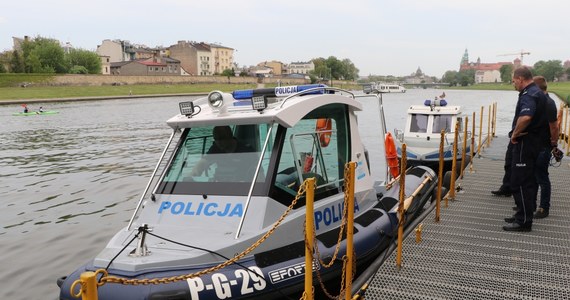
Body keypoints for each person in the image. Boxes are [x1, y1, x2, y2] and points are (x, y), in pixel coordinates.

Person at [503, 66, 550, 232]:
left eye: (514, 80)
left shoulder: (529, 95)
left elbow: (526, 116)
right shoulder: (538, 93)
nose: (513, 83)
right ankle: (522, 215)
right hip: (535, 144)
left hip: (526, 144)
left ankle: (524, 221)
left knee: (520, 182)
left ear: (521, 79)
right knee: (527, 181)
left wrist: (515, 134)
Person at [531, 76, 559, 219]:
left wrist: (554, 145)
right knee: (534, 176)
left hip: (544, 146)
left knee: (542, 177)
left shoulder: (548, 103)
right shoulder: (540, 101)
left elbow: (554, 126)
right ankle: (532, 204)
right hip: (536, 144)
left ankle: (544, 208)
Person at [190, 126, 255, 179]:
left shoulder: (246, 149)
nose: (219, 142)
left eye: (222, 138)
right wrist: (192, 175)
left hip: (243, 185)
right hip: (220, 184)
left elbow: (258, 171)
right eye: (216, 139)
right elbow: (204, 161)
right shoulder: (216, 148)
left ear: (230, 136)